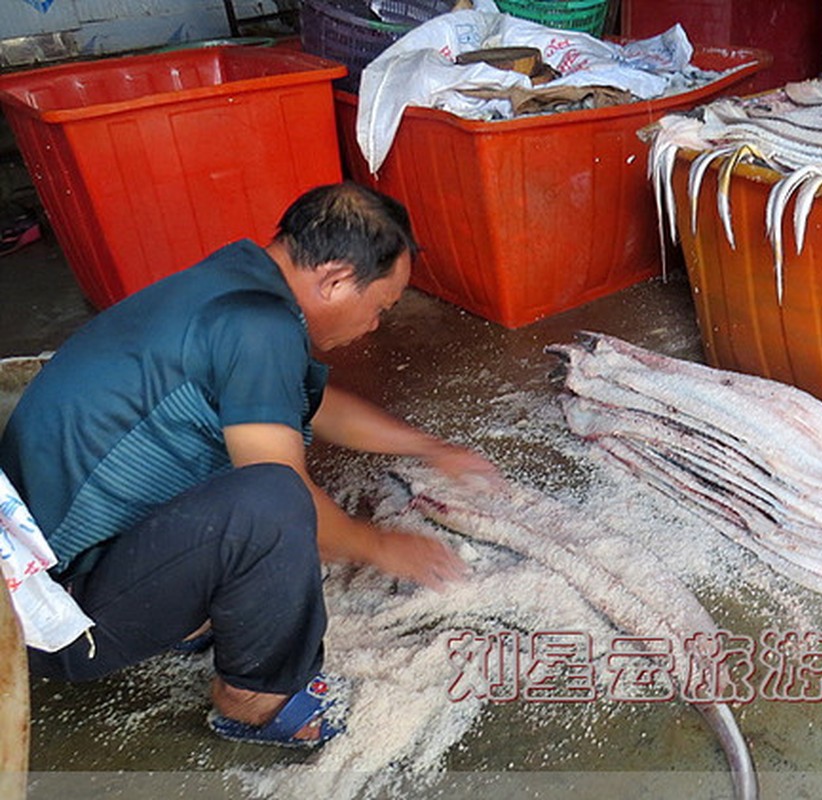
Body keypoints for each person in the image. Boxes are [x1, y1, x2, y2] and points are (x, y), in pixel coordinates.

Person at [0, 182, 496, 747]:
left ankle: (182, 606)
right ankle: (255, 698)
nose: (377, 324)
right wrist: (379, 545)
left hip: (36, 552)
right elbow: (291, 499)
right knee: (274, 499)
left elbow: (310, 402)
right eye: (380, 306)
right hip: (46, 616)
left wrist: (428, 448)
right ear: (334, 280)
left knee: (257, 480)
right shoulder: (259, 327)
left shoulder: (236, 283)